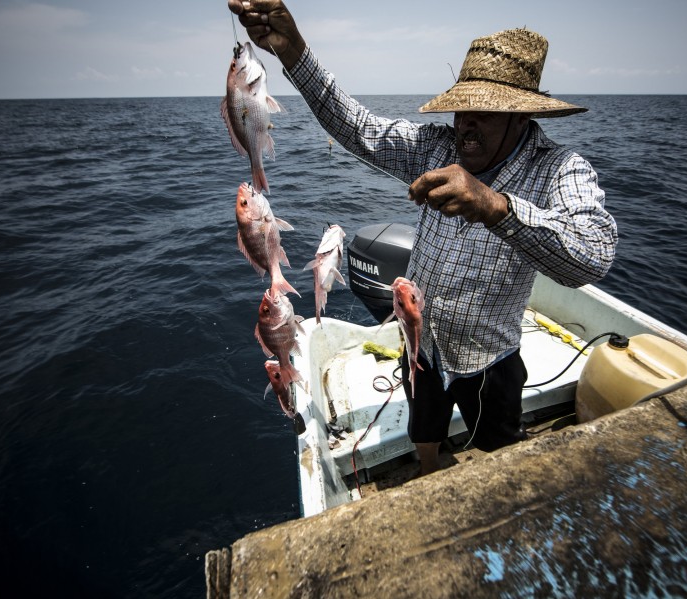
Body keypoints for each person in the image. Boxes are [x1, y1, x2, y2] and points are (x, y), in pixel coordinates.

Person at [228, 0, 618, 475]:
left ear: (521, 116)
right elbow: (358, 128)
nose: (465, 125)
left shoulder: (559, 169)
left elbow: (592, 255)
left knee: (502, 456)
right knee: (424, 428)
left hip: (489, 361)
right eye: (461, 111)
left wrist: (496, 207)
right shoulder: (438, 147)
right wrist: (294, 53)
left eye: (484, 114)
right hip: (420, 344)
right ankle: (431, 469)